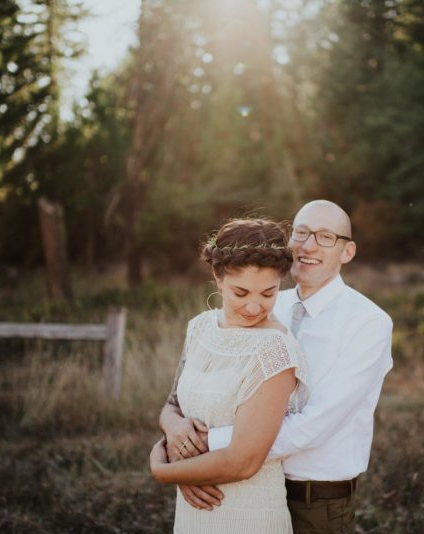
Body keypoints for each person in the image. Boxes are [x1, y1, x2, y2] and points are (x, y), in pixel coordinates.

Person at [162, 200, 394, 534]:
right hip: (242, 486)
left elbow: (315, 424)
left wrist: (202, 453)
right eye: (301, 232)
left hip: (314, 499)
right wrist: (189, 451)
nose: (308, 245)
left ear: (348, 251)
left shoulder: (367, 323)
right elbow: (211, 391)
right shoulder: (265, 303)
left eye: (326, 236)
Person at [150, 218, 309, 533]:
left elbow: (244, 461)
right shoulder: (199, 327)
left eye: (268, 293)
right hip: (193, 513)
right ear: (218, 278)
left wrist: (164, 471)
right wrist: (174, 428)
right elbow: (172, 404)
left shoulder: (276, 351)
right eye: (241, 292)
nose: (254, 306)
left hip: (248, 514)